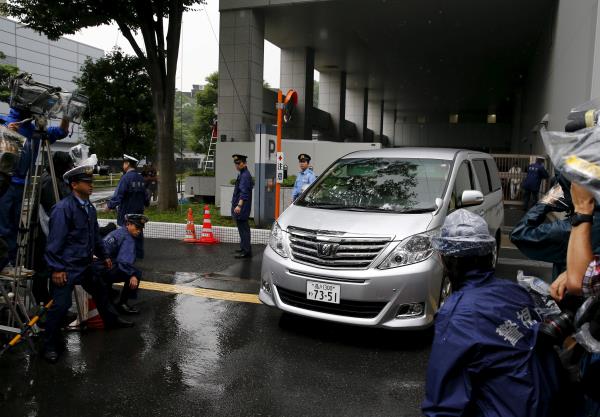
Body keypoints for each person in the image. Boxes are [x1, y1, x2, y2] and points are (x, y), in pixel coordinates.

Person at [422, 209, 561, 417]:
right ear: (489, 253)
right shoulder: (515, 291)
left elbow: (443, 403)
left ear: (444, 259)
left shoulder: (457, 315)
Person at [43, 164, 133, 363]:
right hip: (66, 267)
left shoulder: (88, 207)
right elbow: (54, 242)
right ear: (74, 185)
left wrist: (104, 254)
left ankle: (111, 320)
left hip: (84, 265)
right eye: (87, 182)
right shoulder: (63, 209)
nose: (91, 185)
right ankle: (49, 344)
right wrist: (57, 269)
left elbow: (95, 235)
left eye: (91, 182)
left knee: (100, 288)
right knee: (61, 305)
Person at [0, 108, 69, 262]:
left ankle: (10, 263)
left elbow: (61, 131)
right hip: (4, 182)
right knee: (3, 228)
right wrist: (5, 132)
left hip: (23, 185)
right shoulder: (6, 121)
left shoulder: (35, 130)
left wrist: (67, 113)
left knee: (17, 229)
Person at [32, 151, 73, 304]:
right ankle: (43, 305)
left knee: (45, 269)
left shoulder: (52, 178)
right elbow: (55, 209)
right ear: (59, 166)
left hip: (48, 231)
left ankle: (48, 303)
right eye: (66, 167)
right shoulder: (50, 181)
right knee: (43, 270)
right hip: (45, 232)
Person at [96, 214, 147, 314]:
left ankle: (109, 293)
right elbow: (124, 262)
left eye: (141, 229)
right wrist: (132, 275)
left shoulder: (118, 232)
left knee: (114, 264)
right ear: (128, 224)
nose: (139, 231)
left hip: (95, 266)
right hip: (102, 269)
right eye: (137, 227)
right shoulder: (128, 239)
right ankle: (122, 304)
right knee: (136, 273)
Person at [107, 154, 149, 258]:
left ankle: (128, 255)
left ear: (127, 164)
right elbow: (146, 195)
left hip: (126, 212)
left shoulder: (125, 178)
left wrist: (110, 205)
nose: (123, 165)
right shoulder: (141, 178)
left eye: (124, 163)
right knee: (138, 230)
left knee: (126, 233)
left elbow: (119, 195)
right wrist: (146, 203)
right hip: (139, 211)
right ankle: (139, 254)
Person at [231, 154, 253, 259]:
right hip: (241, 206)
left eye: (239, 163)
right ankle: (244, 247)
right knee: (242, 228)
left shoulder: (245, 175)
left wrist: (239, 205)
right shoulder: (242, 173)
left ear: (244, 163)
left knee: (244, 228)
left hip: (242, 207)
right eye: (235, 163)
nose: (237, 165)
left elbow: (244, 193)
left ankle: (246, 251)